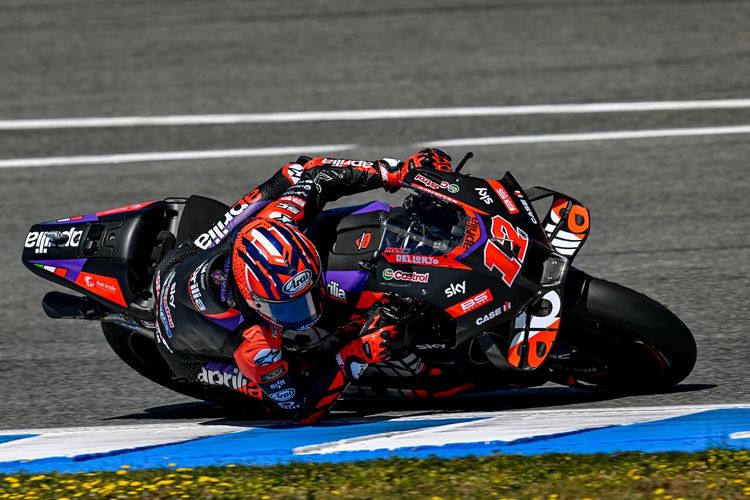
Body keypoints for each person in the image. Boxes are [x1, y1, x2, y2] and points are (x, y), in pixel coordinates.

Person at [153, 148, 453, 423]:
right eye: (290, 307)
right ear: (255, 300)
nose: (306, 312)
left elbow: (317, 172)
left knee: (291, 174)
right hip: (183, 352)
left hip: (190, 258)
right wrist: (359, 352)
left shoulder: (279, 218)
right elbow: (300, 406)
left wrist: (397, 172)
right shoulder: (256, 346)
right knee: (283, 390)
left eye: (306, 296)